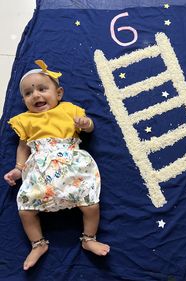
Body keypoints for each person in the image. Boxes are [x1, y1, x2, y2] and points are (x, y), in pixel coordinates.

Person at [4, 60, 110, 271]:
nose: (36, 96)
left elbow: (90, 128)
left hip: (72, 166)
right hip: (40, 172)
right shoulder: (24, 120)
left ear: (59, 93)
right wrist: (18, 168)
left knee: (91, 204)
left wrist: (86, 124)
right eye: (28, 93)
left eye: (42, 89)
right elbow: (23, 146)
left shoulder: (69, 109)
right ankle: (38, 244)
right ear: (24, 100)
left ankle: (89, 238)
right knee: (25, 209)